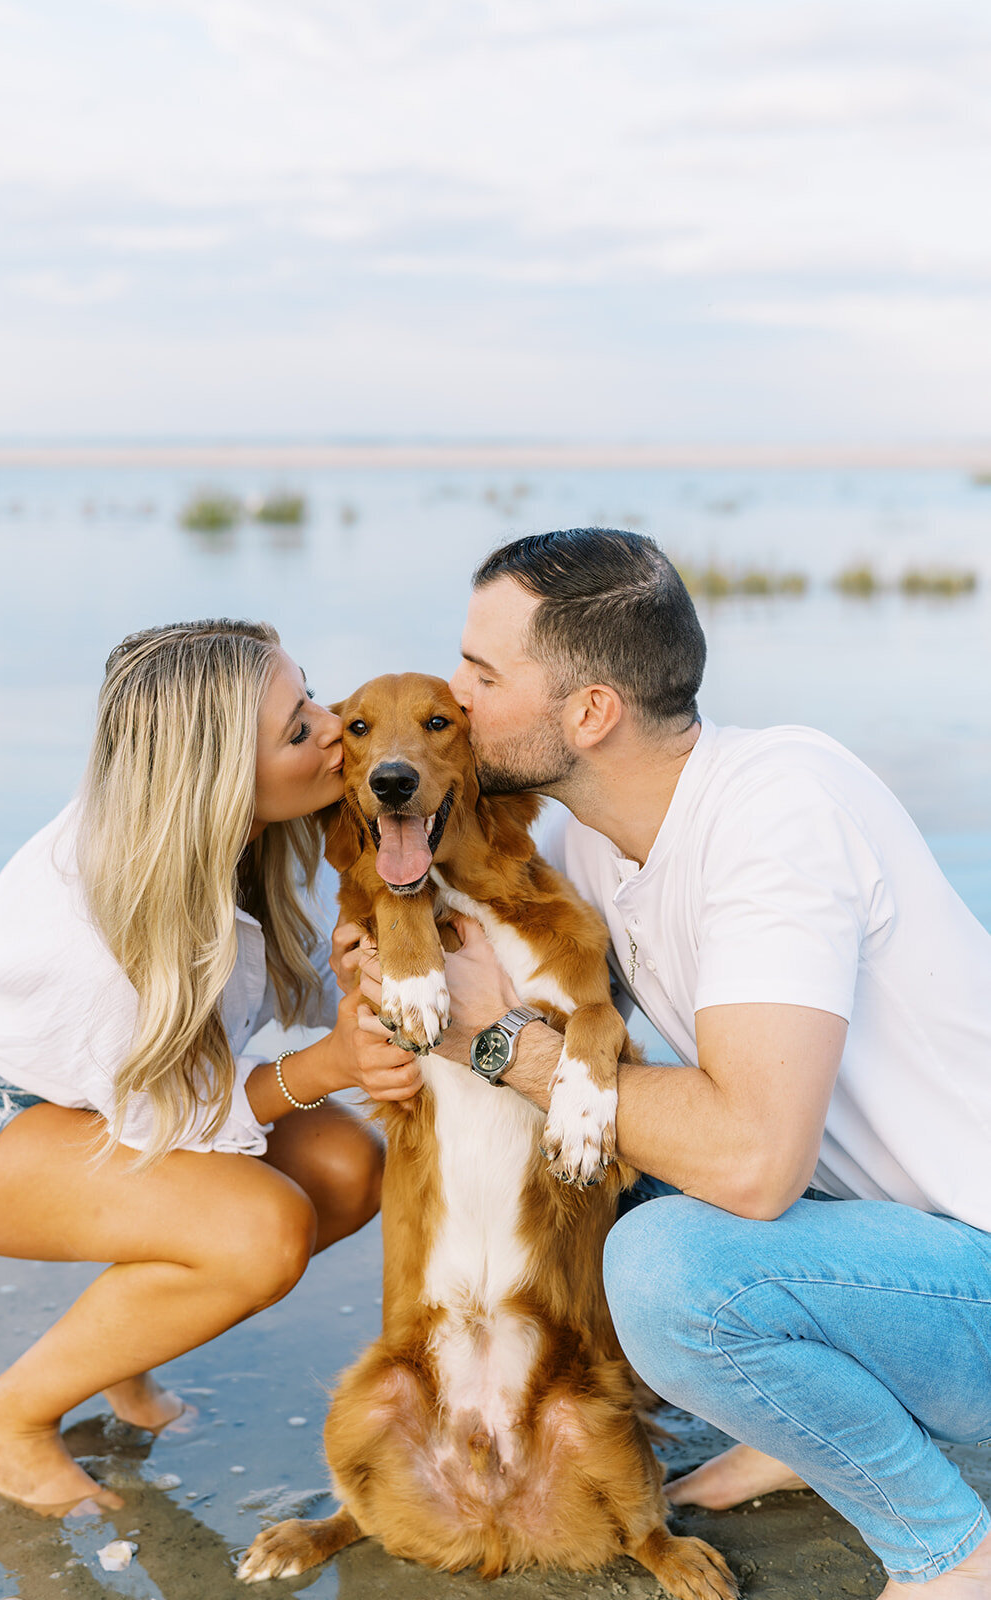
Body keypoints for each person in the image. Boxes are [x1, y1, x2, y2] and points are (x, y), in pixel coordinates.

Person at [431, 529, 991, 1599]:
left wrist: (502, 1044)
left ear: (588, 712)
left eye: (482, 673)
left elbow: (748, 1163)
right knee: (604, 1149)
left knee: (665, 1268)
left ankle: (947, 1551)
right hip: (902, 1241)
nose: (453, 695)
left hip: (972, 1267)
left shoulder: (775, 811)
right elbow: (467, 938)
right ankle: (807, 1421)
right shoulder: (593, 836)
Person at [0, 618, 421, 1515]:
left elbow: (260, 998)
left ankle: (121, 1350)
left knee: (345, 1169)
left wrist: (351, 966)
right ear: (214, 775)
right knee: (254, 1231)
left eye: (307, 692)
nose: (331, 723)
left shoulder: (252, 830)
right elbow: (170, 1123)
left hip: (74, 1087)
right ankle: (8, 1415)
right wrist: (330, 1064)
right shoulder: (101, 928)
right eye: (296, 728)